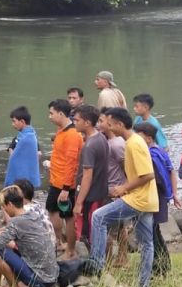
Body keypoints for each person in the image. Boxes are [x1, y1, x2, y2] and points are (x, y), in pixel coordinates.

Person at [87, 107, 159, 287]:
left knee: (98, 217)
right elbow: (138, 174)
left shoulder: (134, 143)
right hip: (147, 199)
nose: (107, 127)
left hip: (139, 199)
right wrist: (124, 187)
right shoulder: (133, 141)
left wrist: (124, 188)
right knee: (146, 243)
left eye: (110, 124)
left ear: (119, 124)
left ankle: (96, 268)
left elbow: (148, 174)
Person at [0, 187, 58, 287]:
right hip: (52, 275)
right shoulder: (32, 214)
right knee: (10, 248)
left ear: (10, 204)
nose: (4, 209)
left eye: (4, 206)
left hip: (40, 281)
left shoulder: (15, 222)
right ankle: (18, 283)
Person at [134, 122, 181, 278]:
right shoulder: (161, 151)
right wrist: (173, 194)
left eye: (139, 136)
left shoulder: (151, 155)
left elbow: (158, 178)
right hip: (162, 197)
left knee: (151, 233)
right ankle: (163, 265)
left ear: (148, 138)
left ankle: (158, 267)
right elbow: (171, 171)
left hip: (155, 197)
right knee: (155, 232)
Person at [47, 100, 83, 258]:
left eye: (51, 113)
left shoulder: (72, 135)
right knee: (52, 209)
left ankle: (70, 248)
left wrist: (66, 189)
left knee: (68, 217)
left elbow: (72, 163)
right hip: (56, 180)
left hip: (64, 183)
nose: (49, 117)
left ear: (61, 114)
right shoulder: (61, 130)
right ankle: (60, 240)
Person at [72, 105, 109, 250]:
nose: (74, 122)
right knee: (98, 228)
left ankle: (93, 263)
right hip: (100, 193)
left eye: (77, 120)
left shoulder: (89, 146)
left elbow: (87, 176)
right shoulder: (101, 138)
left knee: (86, 232)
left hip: (89, 197)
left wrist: (79, 203)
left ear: (87, 123)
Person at [100, 107, 130, 265]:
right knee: (116, 227)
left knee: (114, 227)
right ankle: (118, 257)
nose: (99, 124)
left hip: (116, 190)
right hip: (108, 189)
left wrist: (124, 188)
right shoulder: (106, 141)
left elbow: (127, 168)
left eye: (102, 121)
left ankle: (119, 257)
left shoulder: (117, 144)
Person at [4, 107, 40, 187]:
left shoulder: (25, 138)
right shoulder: (30, 134)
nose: (12, 124)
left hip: (22, 182)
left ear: (22, 121)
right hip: (28, 179)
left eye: (14, 121)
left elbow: (14, 160)